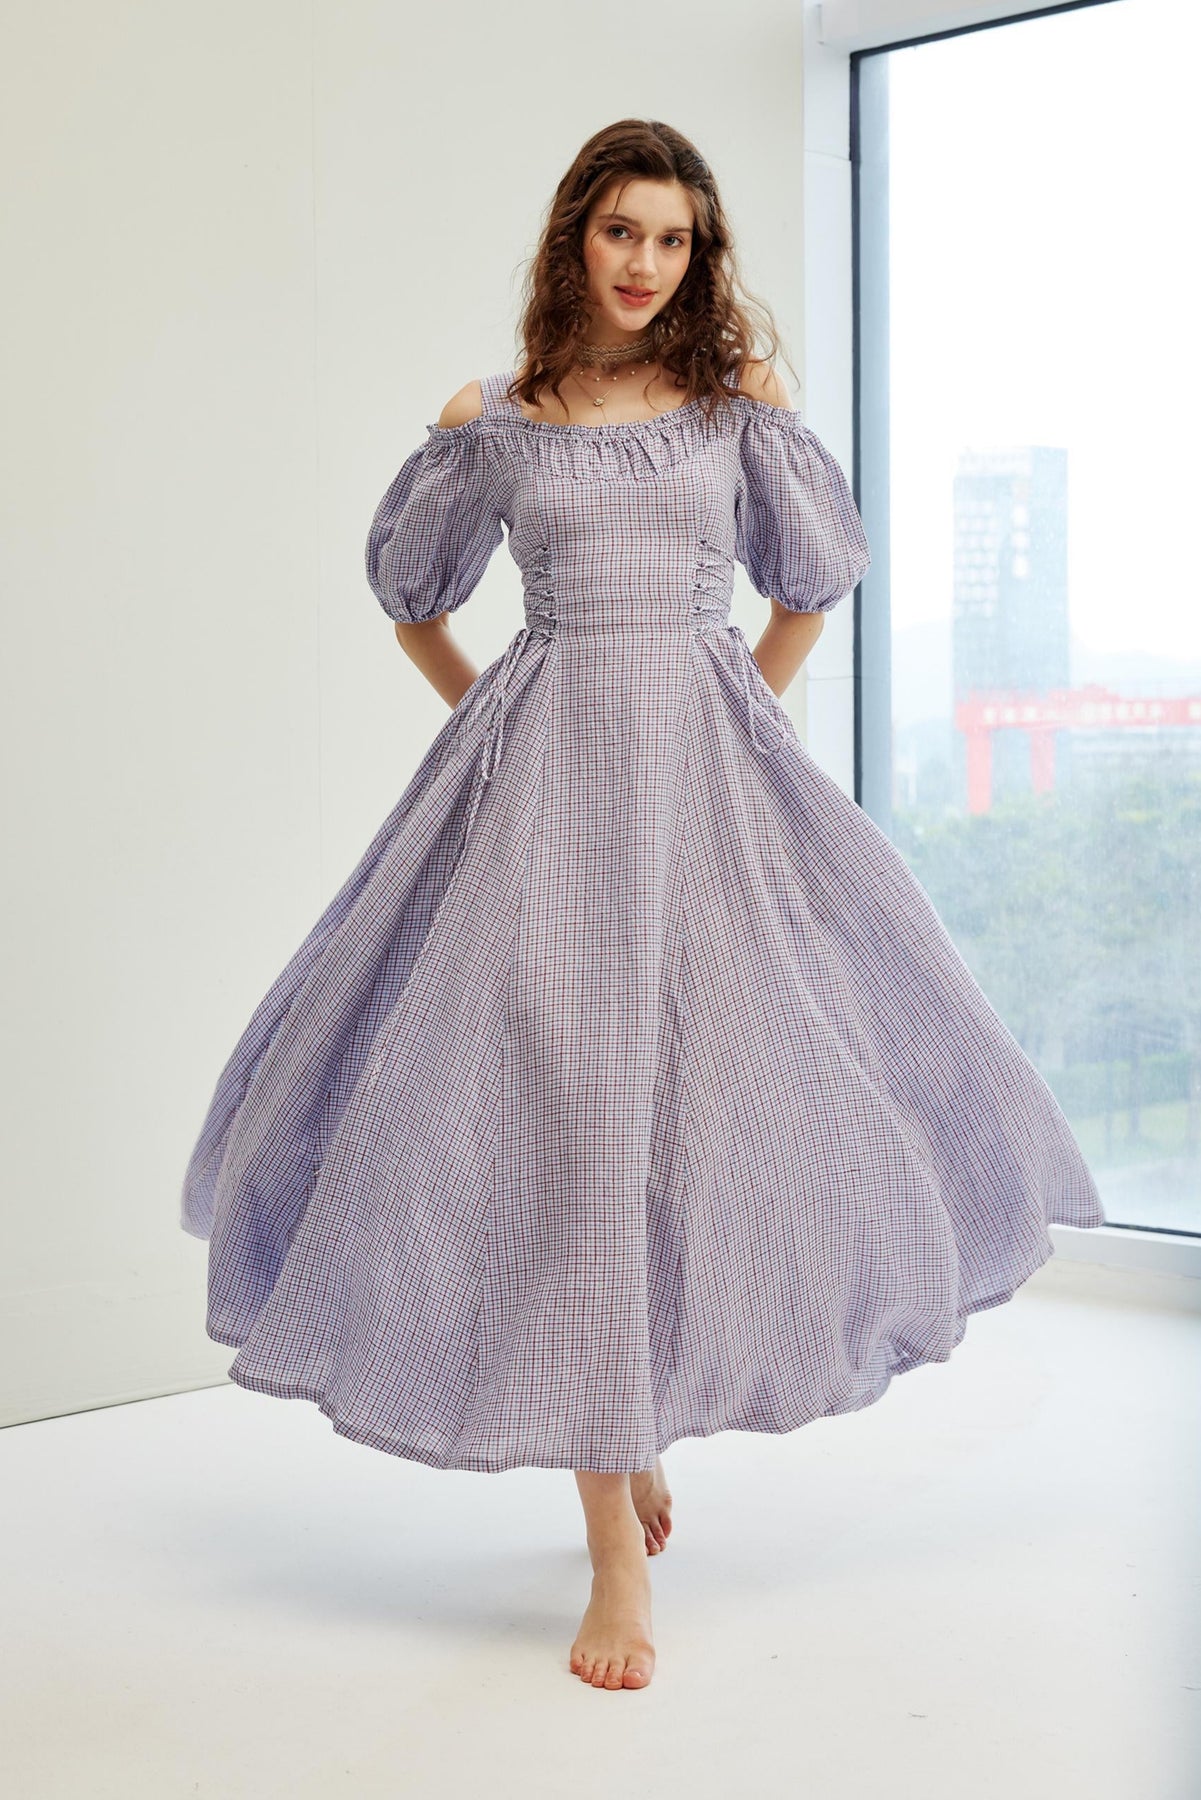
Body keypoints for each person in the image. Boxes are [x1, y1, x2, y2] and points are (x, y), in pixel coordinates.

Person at [180, 119, 1105, 1693]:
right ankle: (613, 1538)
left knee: (696, 1113)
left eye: (673, 240)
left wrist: (733, 712)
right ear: (575, 238)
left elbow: (809, 586)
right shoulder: (493, 418)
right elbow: (412, 599)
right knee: (569, 1131)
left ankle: (632, 1411)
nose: (645, 264)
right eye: (622, 231)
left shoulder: (737, 411)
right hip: (540, 808)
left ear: (698, 255)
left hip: (703, 798)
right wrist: (494, 722)